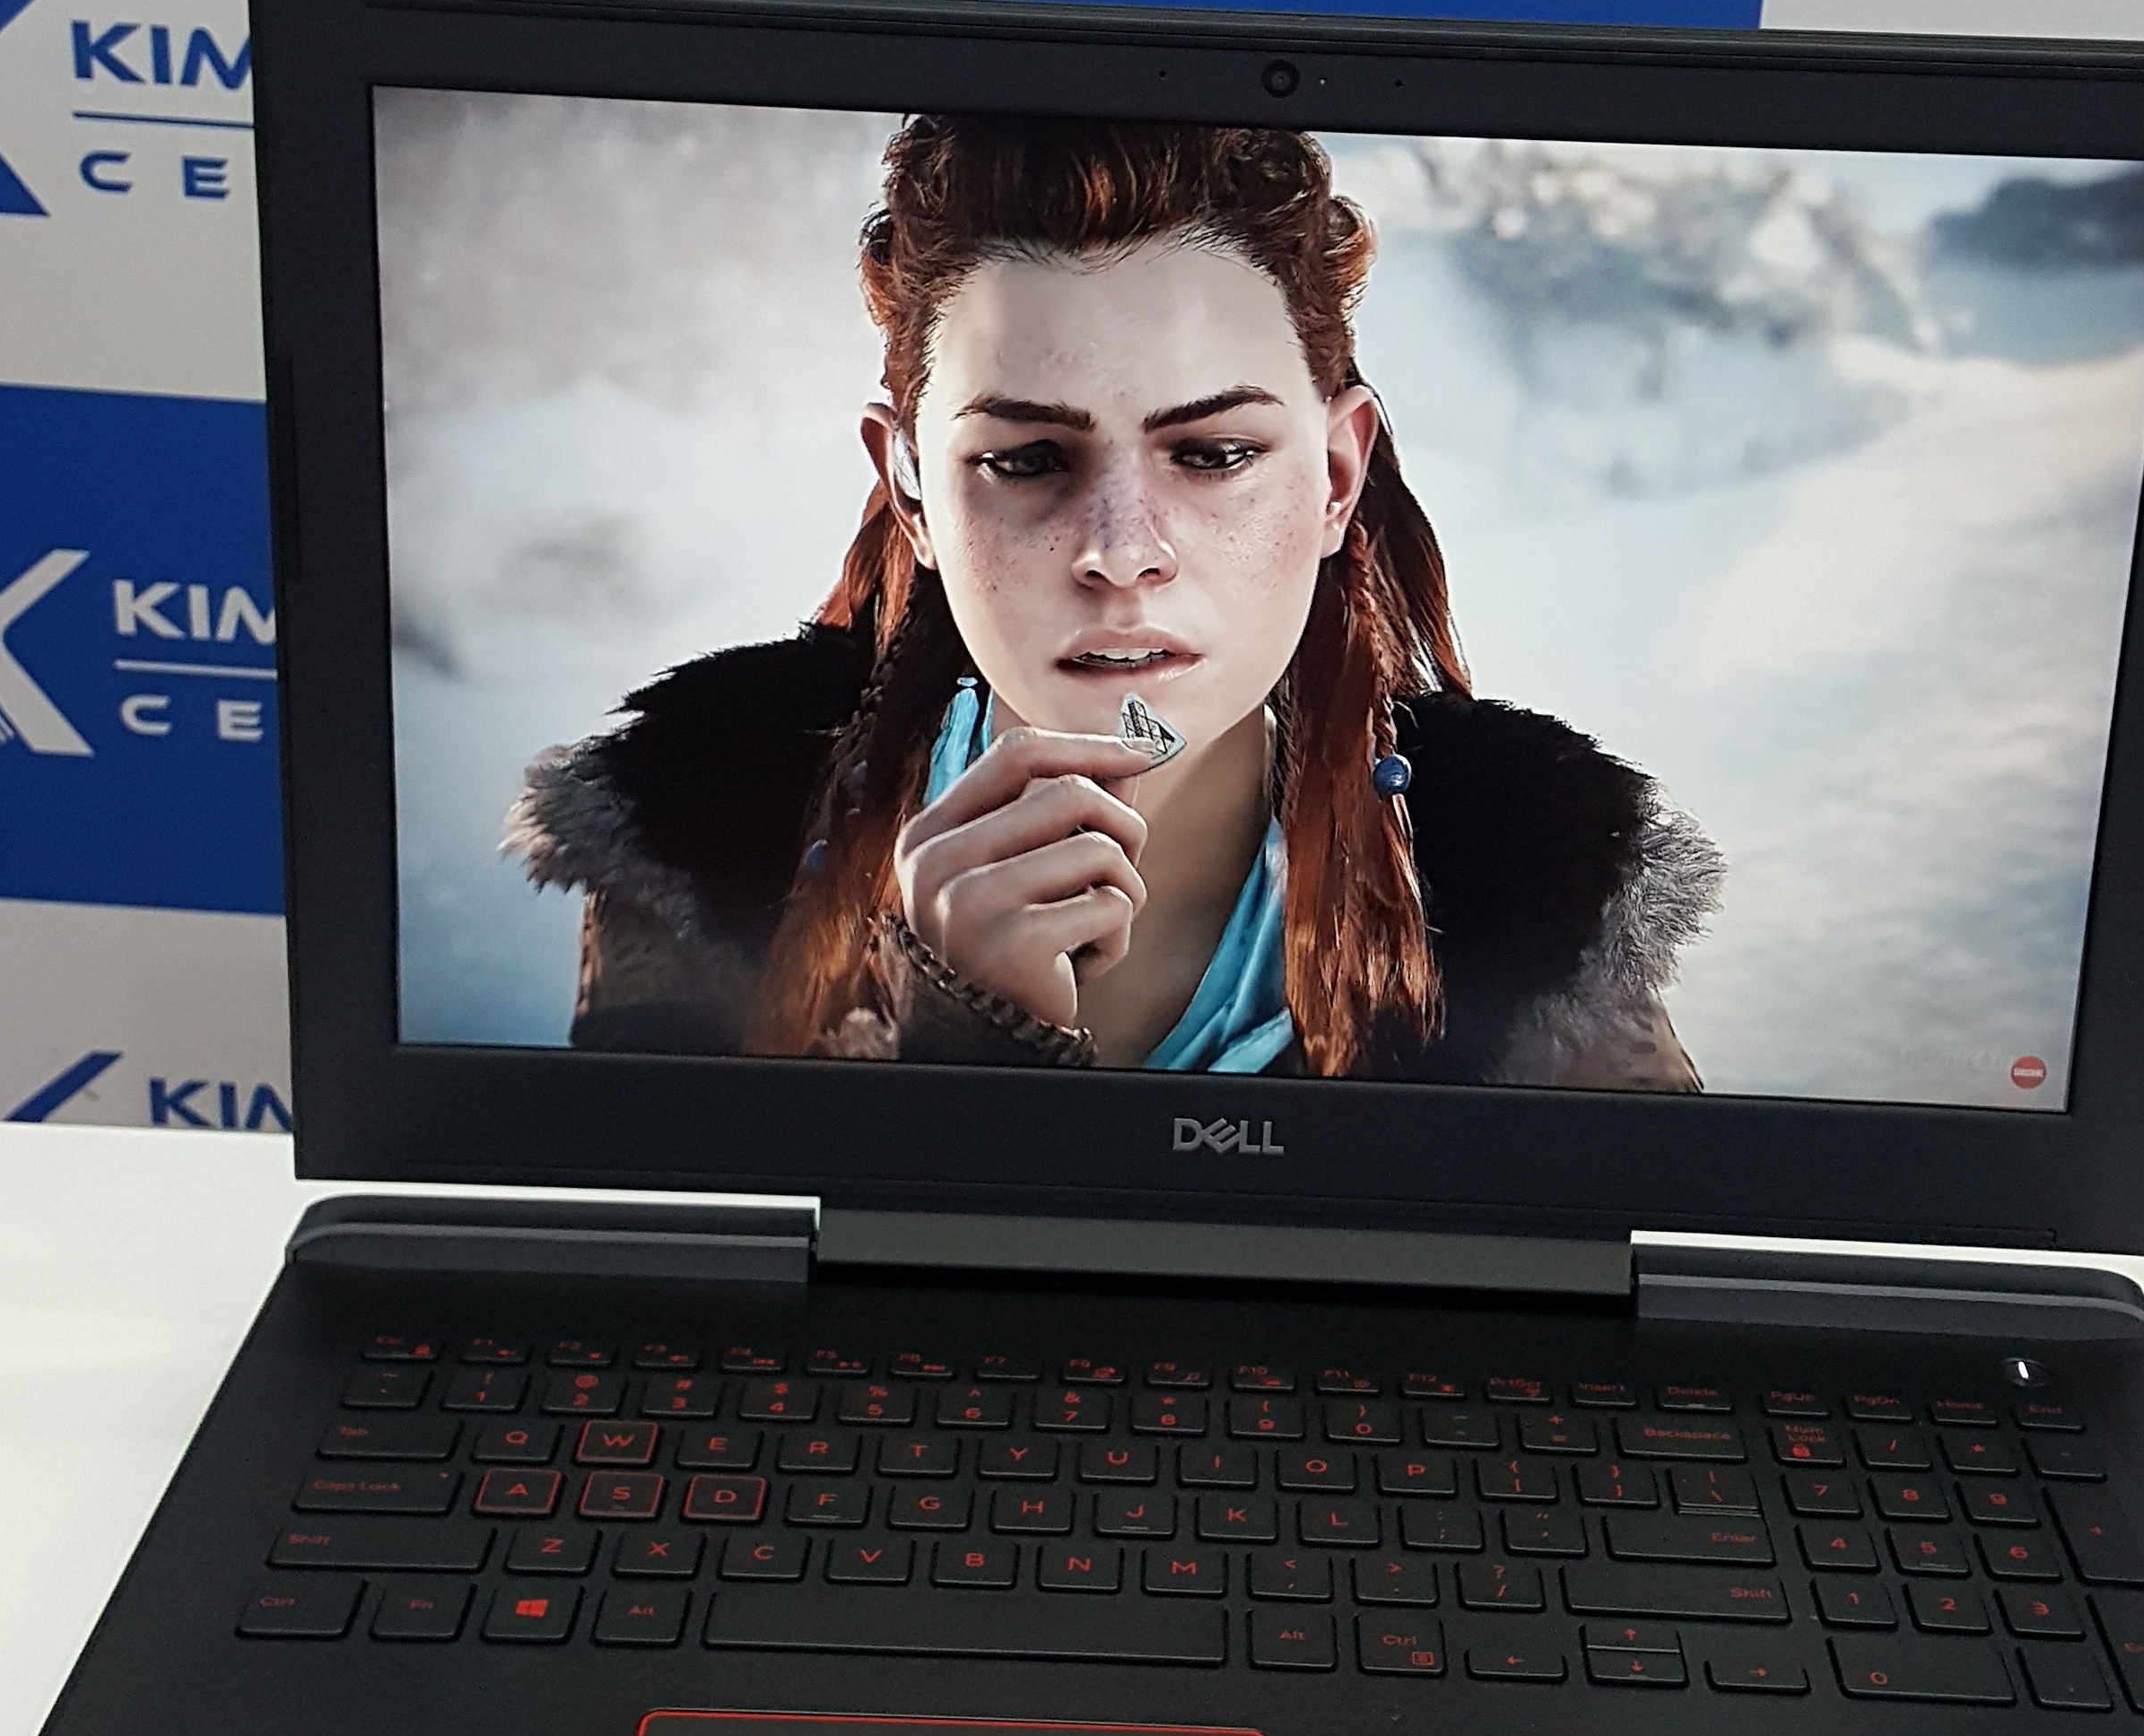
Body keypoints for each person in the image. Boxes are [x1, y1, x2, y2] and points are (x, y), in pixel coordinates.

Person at [513, 116, 1721, 1085]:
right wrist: (966, 1044)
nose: (1122, 553)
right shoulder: (710, 822)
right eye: (1028, 459)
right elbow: (672, 1306)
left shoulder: (1536, 883)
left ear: (1337, 477)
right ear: (913, 488)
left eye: (1213, 455)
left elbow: (1650, 1302)